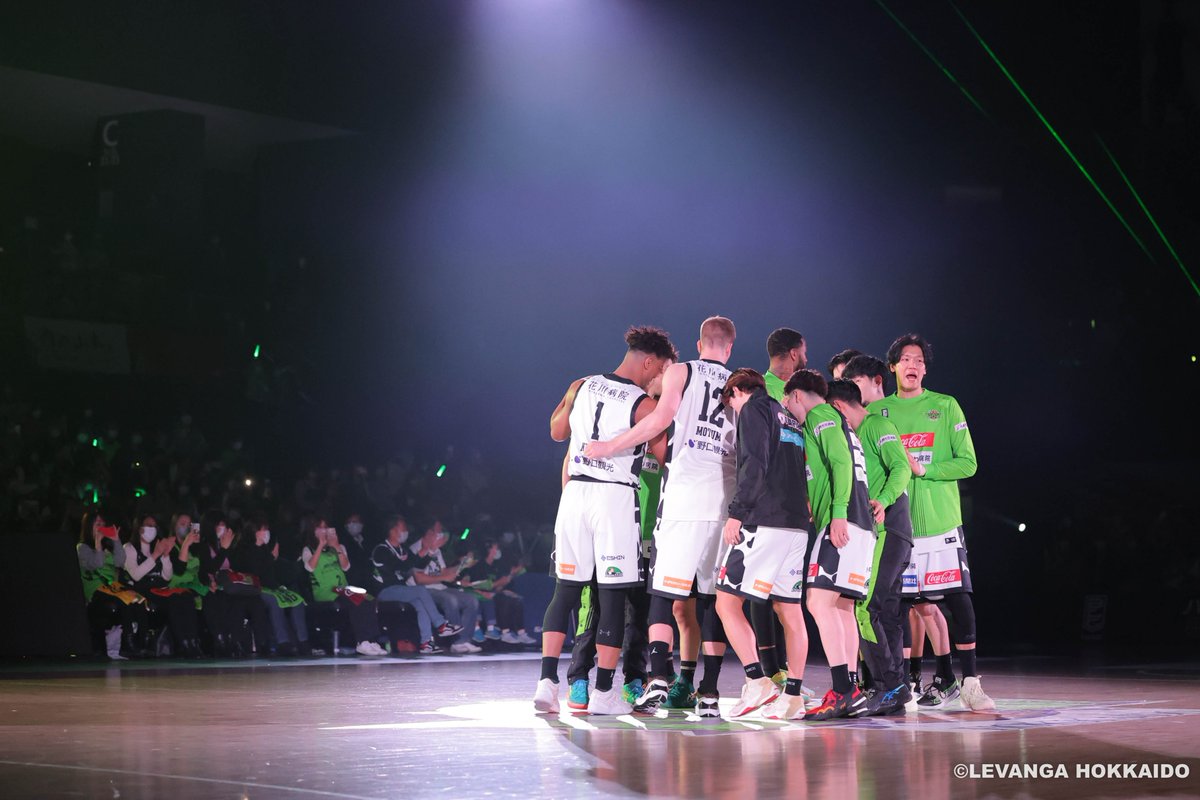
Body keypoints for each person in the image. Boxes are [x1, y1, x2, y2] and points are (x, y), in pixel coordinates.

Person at [585, 317, 737, 717]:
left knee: (663, 595)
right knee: (711, 601)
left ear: (699, 343)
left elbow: (660, 419)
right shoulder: (741, 383)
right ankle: (709, 694)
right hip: (723, 505)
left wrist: (610, 446)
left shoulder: (681, 371)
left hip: (682, 500)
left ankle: (656, 679)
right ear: (729, 348)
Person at [535, 325, 675, 715]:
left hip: (575, 493)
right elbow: (665, 457)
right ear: (649, 362)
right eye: (661, 370)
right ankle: (602, 693)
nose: (660, 378)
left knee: (565, 592)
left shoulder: (580, 385)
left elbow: (556, 431)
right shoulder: (644, 406)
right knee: (612, 597)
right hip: (614, 498)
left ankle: (547, 684)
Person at [870, 334, 994, 712]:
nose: (913, 365)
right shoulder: (879, 412)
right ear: (893, 367)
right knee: (902, 607)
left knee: (958, 600)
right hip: (900, 528)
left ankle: (970, 681)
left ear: (925, 369)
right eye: (906, 359)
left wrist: (925, 469)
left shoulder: (945, 405)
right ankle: (901, 682)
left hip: (942, 524)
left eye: (919, 360)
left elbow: (968, 463)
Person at [565, 358, 672, 710]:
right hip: (606, 527)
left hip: (646, 534)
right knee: (593, 604)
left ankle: (634, 679)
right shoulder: (619, 414)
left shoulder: (663, 429)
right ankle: (579, 678)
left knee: (639, 611)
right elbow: (570, 456)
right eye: (663, 372)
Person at [714, 369, 815, 720]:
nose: (733, 411)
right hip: (796, 526)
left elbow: (754, 463)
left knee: (726, 602)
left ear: (737, 391)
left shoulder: (754, 409)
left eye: (731, 403)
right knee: (790, 610)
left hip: (765, 520)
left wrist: (737, 513)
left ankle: (757, 681)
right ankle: (793, 697)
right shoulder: (787, 417)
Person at [781, 369, 876, 720]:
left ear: (796, 395)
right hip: (861, 524)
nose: (788, 410)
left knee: (817, 602)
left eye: (787, 402)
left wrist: (836, 513)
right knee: (841, 608)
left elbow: (840, 462)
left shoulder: (820, 414)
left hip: (844, 521)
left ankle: (843, 691)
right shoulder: (839, 421)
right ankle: (851, 688)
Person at [826, 375, 914, 715]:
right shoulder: (855, 434)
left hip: (889, 529)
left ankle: (888, 686)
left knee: (864, 608)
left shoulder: (877, 425)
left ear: (838, 407)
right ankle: (895, 687)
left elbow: (902, 467)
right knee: (886, 613)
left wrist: (884, 500)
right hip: (883, 533)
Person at [371, 514, 463, 654]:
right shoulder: (381, 550)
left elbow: (416, 566)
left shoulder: (402, 549)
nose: (406, 531)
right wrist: (422, 551)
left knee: (420, 603)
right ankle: (441, 625)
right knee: (420, 590)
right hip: (385, 590)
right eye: (403, 528)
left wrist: (428, 551)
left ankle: (426, 643)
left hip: (401, 589)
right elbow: (401, 566)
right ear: (393, 530)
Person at [301, 518, 387, 656]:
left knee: (369, 598)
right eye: (320, 527)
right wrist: (320, 545)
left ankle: (371, 640)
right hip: (326, 590)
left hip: (343, 589)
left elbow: (346, 567)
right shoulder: (308, 549)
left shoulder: (338, 547)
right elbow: (310, 567)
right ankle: (362, 641)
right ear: (313, 531)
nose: (323, 530)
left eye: (325, 527)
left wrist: (336, 546)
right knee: (356, 599)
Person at [199, 511, 273, 658]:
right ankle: (222, 642)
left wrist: (228, 549)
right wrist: (223, 550)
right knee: (220, 601)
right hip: (213, 586)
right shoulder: (204, 547)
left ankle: (256, 643)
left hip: (234, 586)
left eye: (224, 525)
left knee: (253, 603)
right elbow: (209, 569)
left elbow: (241, 566)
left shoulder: (234, 546)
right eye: (219, 525)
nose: (223, 529)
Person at [76, 509, 145, 660]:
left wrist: (116, 540)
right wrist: (98, 545)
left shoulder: (108, 546)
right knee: (124, 601)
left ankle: (138, 641)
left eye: (103, 523)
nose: (101, 526)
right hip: (96, 590)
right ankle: (127, 644)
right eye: (97, 523)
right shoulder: (82, 548)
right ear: (88, 526)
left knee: (138, 599)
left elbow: (120, 562)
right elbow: (97, 564)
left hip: (113, 588)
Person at [237, 518, 309, 657]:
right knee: (275, 602)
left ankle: (303, 641)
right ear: (254, 531)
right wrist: (271, 558)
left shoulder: (265, 549)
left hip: (272, 586)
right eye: (263, 529)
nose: (266, 532)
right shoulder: (245, 550)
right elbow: (254, 573)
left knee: (298, 600)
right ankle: (283, 642)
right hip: (255, 589)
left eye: (267, 529)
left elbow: (270, 575)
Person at [410, 521, 483, 654]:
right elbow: (419, 580)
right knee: (451, 600)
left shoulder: (437, 550)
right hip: (424, 590)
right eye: (439, 532)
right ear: (429, 532)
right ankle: (456, 641)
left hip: (440, 587)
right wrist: (443, 578)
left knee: (472, 600)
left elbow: (443, 572)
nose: (442, 535)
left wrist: (463, 564)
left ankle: (464, 640)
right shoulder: (415, 549)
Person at [461, 539, 535, 645]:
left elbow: (500, 584)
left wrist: (503, 588)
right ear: (488, 550)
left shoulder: (496, 566)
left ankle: (521, 633)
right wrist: (491, 589)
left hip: (493, 593)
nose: (498, 551)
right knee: (503, 600)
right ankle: (505, 633)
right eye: (495, 548)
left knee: (516, 599)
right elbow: (475, 585)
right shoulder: (478, 566)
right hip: (481, 595)